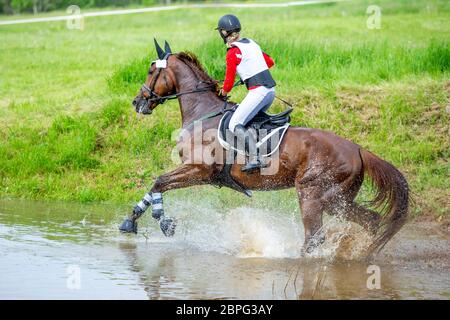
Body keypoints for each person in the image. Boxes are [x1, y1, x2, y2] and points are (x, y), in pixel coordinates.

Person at [216, 14, 276, 173]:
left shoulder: (232, 52)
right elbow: (270, 62)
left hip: (259, 92)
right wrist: (250, 70)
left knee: (234, 124)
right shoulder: (251, 43)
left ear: (223, 32)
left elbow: (228, 82)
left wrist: (223, 91)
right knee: (248, 120)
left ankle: (257, 158)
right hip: (270, 91)